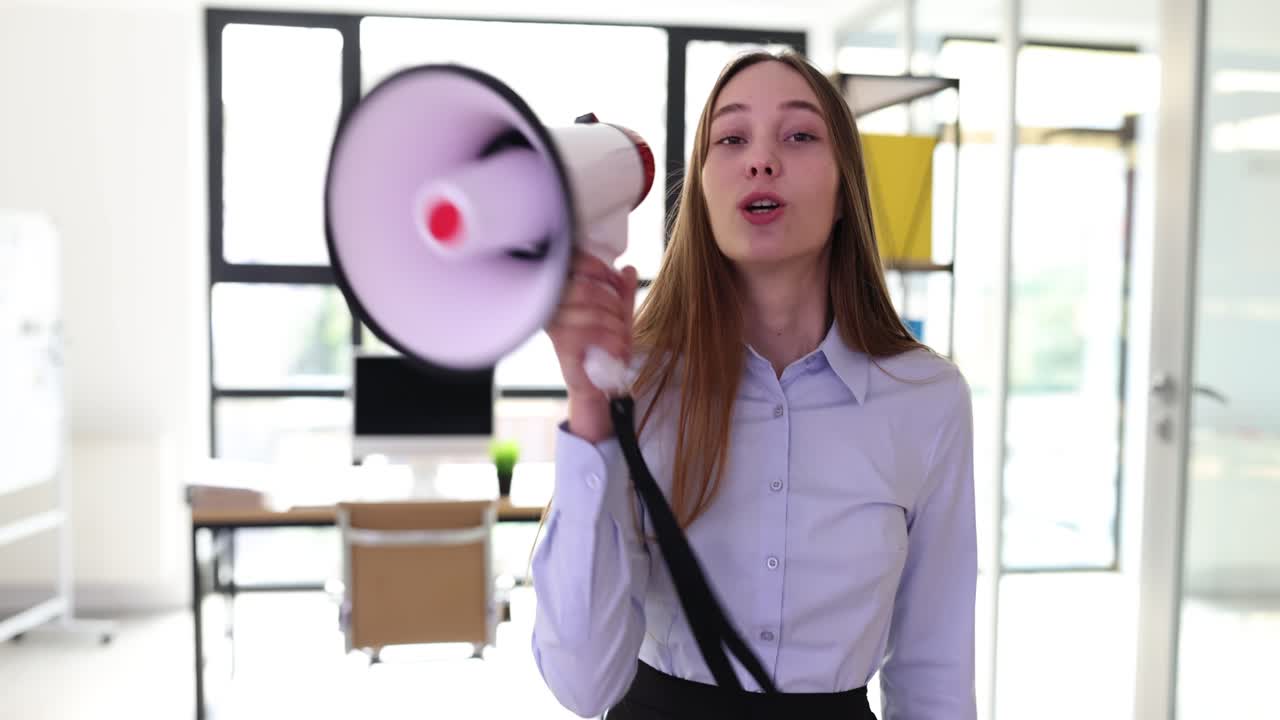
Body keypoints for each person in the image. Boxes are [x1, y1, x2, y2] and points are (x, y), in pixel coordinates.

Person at [531, 49, 977, 720]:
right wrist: (593, 414)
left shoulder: (926, 398)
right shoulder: (636, 382)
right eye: (732, 139)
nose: (760, 160)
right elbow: (582, 683)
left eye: (798, 136)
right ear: (704, 190)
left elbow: (934, 667)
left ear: (843, 192)